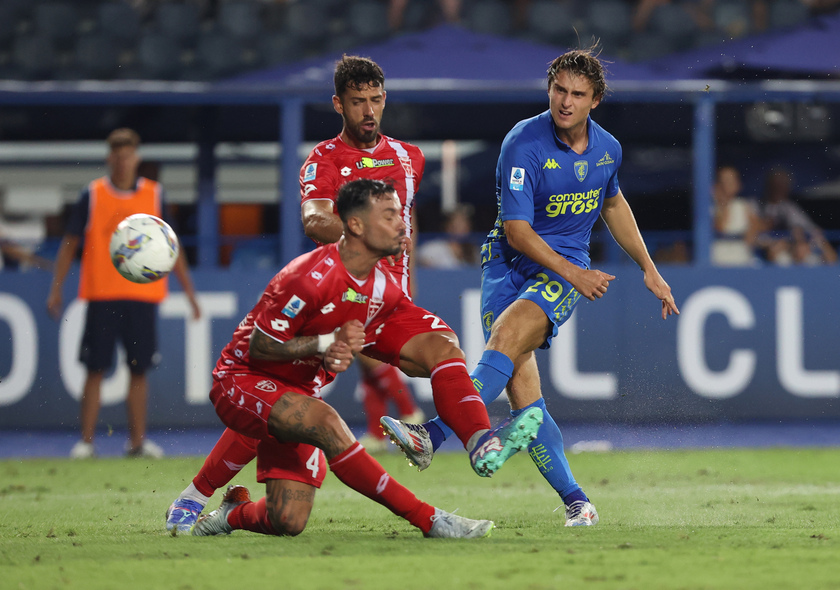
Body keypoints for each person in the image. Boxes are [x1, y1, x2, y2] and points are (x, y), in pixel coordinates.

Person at [380, 46, 680, 527]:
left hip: (561, 270)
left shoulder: (609, 150)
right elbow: (517, 230)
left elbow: (614, 203)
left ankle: (431, 436)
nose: (565, 101)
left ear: (595, 100)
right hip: (506, 264)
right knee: (527, 403)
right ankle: (578, 500)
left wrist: (648, 266)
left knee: (504, 339)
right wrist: (576, 273)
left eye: (577, 94)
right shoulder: (523, 142)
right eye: (559, 90)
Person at [166, 55, 433, 533]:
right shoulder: (323, 160)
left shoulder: (409, 157)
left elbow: (408, 222)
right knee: (282, 402)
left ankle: (426, 424)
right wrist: (366, 239)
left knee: (288, 492)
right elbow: (314, 221)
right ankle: (195, 497)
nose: (368, 111)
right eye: (357, 102)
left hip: (384, 296)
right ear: (338, 104)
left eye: (375, 100)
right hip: (333, 296)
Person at [188, 179, 543, 539]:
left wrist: (337, 355)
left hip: (297, 392)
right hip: (240, 380)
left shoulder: (382, 288)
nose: (402, 224)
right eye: (389, 215)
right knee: (327, 423)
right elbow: (260, 348)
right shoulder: (307, 278)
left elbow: (408, 347)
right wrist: (326, 343)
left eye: (400, 215)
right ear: (355, 225)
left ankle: (232, 514)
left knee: (287, 519)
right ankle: (431, 520)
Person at [46, 128, 201, 459]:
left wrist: (190, 293)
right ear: (109, 159)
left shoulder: (154, 195)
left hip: (142, 296)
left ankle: (137, 442)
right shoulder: (93, 194)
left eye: (128, 155)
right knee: (95, 368)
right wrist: (56, 288)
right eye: (117, 156)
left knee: (138, 369)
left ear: (137, 158)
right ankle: (86, 443)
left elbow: (173, 247)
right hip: (102, 295)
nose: (122, 162)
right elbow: (69, 243)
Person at [756, 167, 837, 266]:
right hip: (769, 248)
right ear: (768, 185)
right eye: (776, 183)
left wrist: (800, 241)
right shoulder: (756, 206)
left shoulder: (790, 208)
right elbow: (755, 235)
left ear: (788, 186)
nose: (779, 187)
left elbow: (810, 230)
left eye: (783, 183)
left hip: (792, 248)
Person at [711, 164, 762, 267]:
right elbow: (720, 227)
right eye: (724, 181)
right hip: (718, 257)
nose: (728, 184)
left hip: (742, 257)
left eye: (731, 180)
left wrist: (752, 231)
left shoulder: (744, 205)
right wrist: (723, 204)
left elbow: (756, 227)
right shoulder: (710, 207)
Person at [416, 204, 479, 269]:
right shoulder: (433, 248)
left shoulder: (474, 251)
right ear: (447, 226)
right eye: (457, 225)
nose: (460, 229)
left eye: (464, 225)